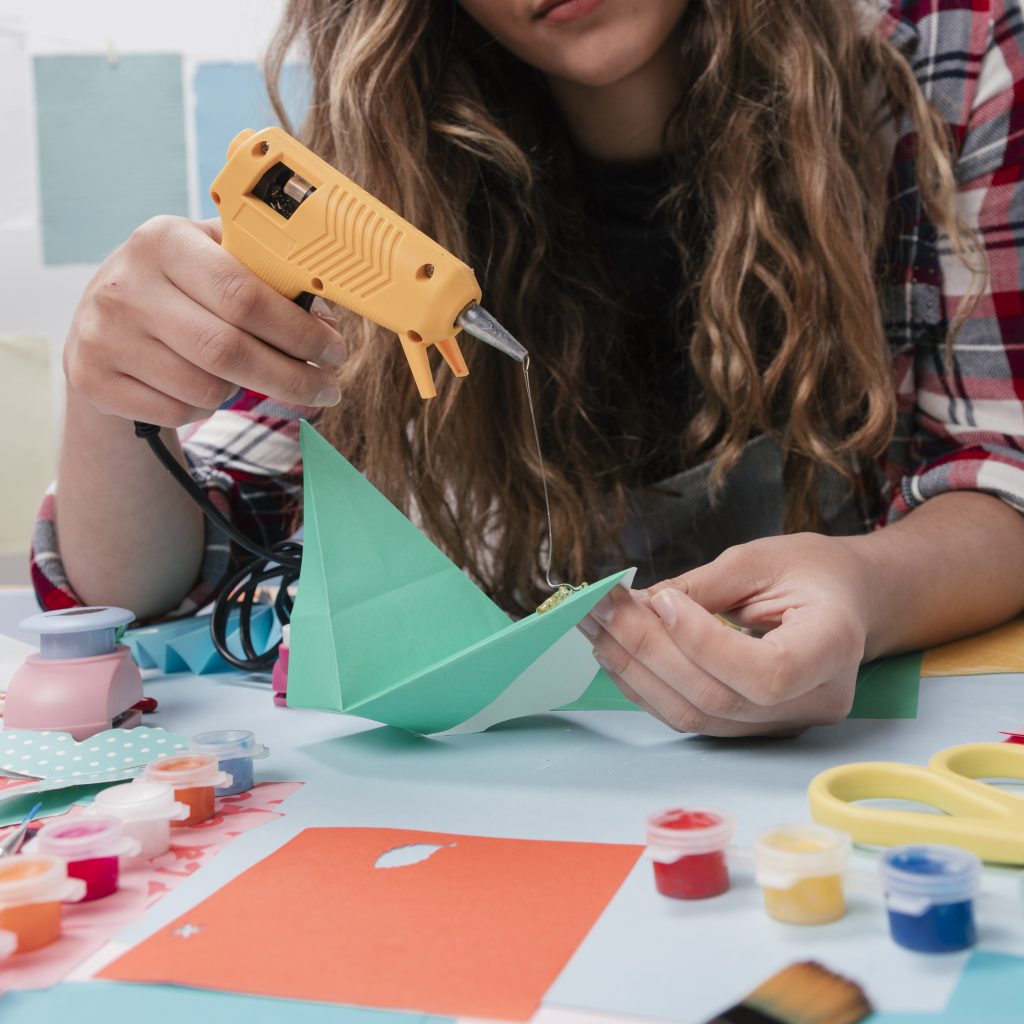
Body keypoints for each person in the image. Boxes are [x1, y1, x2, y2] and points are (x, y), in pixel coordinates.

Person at [32, 0, 1024, 736]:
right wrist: (113, 391)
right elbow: (166, 575)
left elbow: (1003, 478)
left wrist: (867, 586)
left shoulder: (945, 54)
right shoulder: (378, 158)